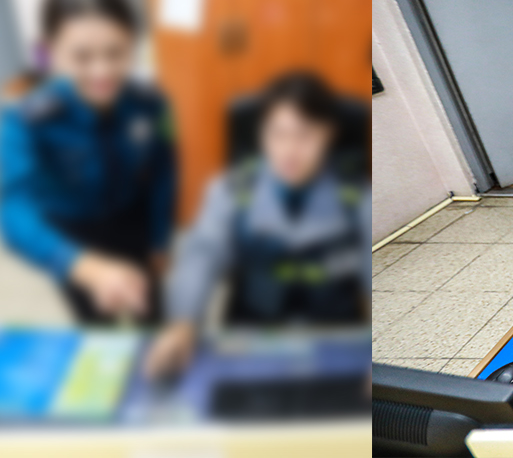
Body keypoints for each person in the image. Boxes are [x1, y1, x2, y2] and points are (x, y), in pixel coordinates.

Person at [142, 72, 369, 378]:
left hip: (336, 340)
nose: (290, 150)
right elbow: (201, 257)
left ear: (327, 135)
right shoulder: (233, 190)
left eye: (304, 135)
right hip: (252, 336)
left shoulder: (356, 197)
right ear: (261, 135)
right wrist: (183, 323)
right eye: (278, 134)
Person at [0, 0, 174, 324]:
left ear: (134, 43)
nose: (102, 71)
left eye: (116, 53)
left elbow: (164, 171)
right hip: (72, 236)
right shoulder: (25, 117)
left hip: (132, 225)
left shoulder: (152, 105)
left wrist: (161, 240)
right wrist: (81, 265)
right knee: (96, 328)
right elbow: (12, 207)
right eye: (82, 56)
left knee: (152, 317)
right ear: (49, 52)